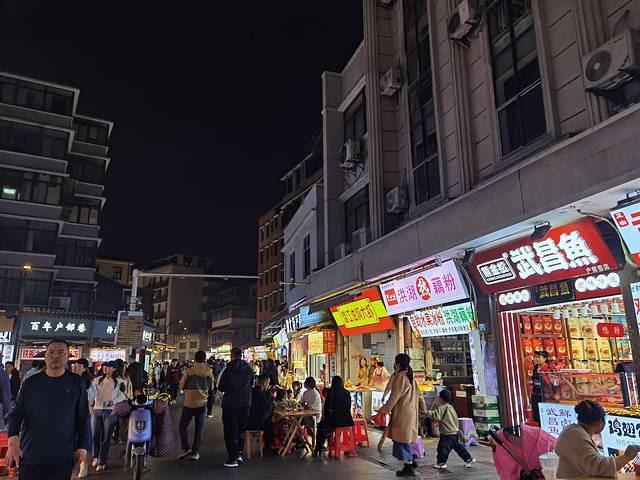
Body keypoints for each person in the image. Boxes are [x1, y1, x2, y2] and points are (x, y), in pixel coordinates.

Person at [7, 340, 90, 480]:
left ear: (67, 357)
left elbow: (83, 416)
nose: (55, 356)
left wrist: (83, 445)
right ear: (45, 356)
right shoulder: (30, 383)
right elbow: (17, 413)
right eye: (51, 352)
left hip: (63, 454)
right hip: (31, 453)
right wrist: (13, 439)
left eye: (61, 352)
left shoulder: (76, 382)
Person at [555, 400, 640, 478]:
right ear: (599, 422)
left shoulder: (574, 432)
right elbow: (598, 467)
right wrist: (626, 457)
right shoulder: (575, 435)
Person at [377, 353, 427, 477]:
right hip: (410, 413)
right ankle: (410, 461)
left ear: (397, 364)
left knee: (402, 440)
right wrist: (423, 409)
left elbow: (393, 398)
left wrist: (382, 410)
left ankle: (409, 464)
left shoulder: (400, 377)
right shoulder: (410, 376)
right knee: (403, 439)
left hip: (402, 414)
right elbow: (420, 396)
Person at [217, 347, 254, 468]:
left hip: (230, 404)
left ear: (232, 355)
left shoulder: (228, 369)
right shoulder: (249, 368)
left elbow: (221, 387)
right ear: (241, 355)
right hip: (245, 403)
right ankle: (239, 454)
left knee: (230, 430)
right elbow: (252, 384)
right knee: (241, 430)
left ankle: (232, 459)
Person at [89, 360, 126, 472]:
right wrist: (90, 402)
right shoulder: (97, 380)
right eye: (104, 366)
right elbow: (91, 393)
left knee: (106, 437)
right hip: (96, 410)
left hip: (110, 411)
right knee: (94, 435)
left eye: (108, 367)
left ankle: (102, 461)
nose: (105, 368)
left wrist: (113, 401)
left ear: (114, 369)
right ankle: (95, 456)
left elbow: (122, 395)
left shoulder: (120, 381)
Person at [425, 389, 475, 470]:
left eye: (438, 397)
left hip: (447, 434)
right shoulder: (450, 407)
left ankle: (441, 463)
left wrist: (426, 412)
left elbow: (435, 415)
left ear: (441, 398)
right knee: (459, 447)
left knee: (442, 448)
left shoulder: (442, 408)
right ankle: (468, 459)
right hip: (454, 432)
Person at [178, 350, 214, 461]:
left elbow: (181, 385)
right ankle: (195, 452)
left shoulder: (189, 371)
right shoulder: (209, 372)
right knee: (199, 429)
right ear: (204, 359)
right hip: (202, 403)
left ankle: (186, 448)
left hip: (189, 403)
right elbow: (212, 387)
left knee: (182, 426)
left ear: (195, 358)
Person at [314, 376, 353, 457]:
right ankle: (334, 442)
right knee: (326, 426)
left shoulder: (330, 392)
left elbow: (327, 408)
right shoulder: (347, 392)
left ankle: (318, 448)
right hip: (347, 421)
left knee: (321, 426)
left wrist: (325, 417)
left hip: (335, 422)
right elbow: (348, 406)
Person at [72, 359, 94, 478]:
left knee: (83, 439)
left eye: (78, 366)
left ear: (85, 368)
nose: (75, 367)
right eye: (74, 365)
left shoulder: (88, 382)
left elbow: (91, 397)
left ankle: (84, 464)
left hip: (84, 415)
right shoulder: (69, 379)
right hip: (70, 416)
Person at [247, 374, 274, 449]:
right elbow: (264, 409)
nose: (268, 385)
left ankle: (267, 445)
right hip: (254, 422)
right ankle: (268, 447)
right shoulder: (259, 393)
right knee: (271, 424)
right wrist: (271, 400)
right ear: (264, 382)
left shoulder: (254, 390)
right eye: (268, 383)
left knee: (269, 421)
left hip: (249, 419)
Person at [531, 351, 556, 424]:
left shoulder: (548, 369)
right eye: (536, 357)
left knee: (545, 414)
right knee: (536, 414)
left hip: (545, 395)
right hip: (535, 394)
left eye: (540, 357)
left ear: (545, 359)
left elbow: (553, 382)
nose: (537, 359)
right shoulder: (535, 368)